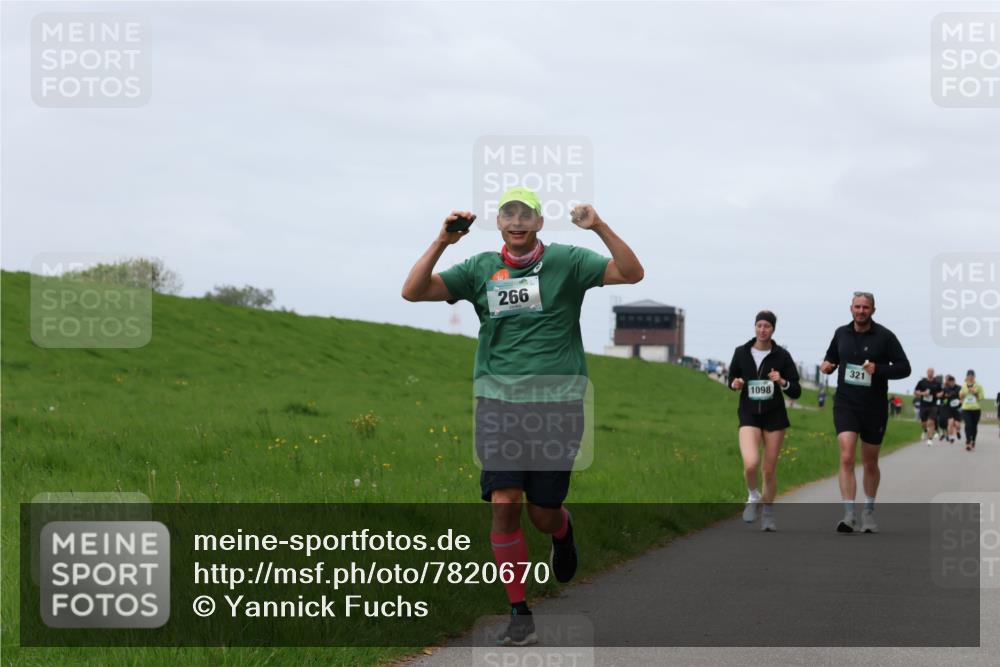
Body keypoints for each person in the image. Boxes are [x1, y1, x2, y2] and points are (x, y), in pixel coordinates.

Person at [401, 187, 643, 645]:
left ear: (537, 221)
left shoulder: (569, 262)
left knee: (542, 513)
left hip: (558, 404)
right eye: (508, 214)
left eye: (525, 214)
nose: (516, 221)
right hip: (499, 402)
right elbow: (412, 292)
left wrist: (599, 227)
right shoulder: (478, 270)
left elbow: (632, 273)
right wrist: (442, 242)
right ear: (498, 223)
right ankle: (519, 612)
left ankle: (563, 530)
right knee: (504, 501)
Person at [820, 292, 911, 534]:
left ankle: (868, 511)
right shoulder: (841, 333)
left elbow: (904, 368)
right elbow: (830, 360)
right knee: (847, 456)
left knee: (870, 462)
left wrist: (878, 369)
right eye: (857, 307)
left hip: (874, 407)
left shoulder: (885, 337)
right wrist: (826, 367)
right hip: (846, 404)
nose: (861, 311)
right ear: (851, 308)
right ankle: (849, 514)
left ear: (873, 310)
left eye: (866, 307)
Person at [727, 311, 801, 532]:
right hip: (749, 413)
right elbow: (731, 378)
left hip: (774, 416)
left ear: (773, 329)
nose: (762, 330)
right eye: (759, 325)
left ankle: (768, 514)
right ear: (754, 327)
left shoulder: (782, 356)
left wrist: (783, 381)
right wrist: (736, 383)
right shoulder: (741, 352)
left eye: (766, 326)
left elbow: (796, 391)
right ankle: (753, 495)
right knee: (751, 463)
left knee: (769, 470)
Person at [959, 370, 985, 451]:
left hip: (976, 409)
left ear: (974, 377)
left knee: (974, 426)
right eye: (969, 376)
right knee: (968, 425)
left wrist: (975, 393)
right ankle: (968, 442)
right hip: (966, 409)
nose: (970, 377)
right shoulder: (963, 385)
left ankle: (973, 440)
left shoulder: (978, 386)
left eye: (972, 376)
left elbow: (982, 397)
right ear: (966, 376)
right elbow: (960, 396)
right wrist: (962, 395)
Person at [914, 368, 941, 446]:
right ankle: (925, 431)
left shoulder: (937, 383)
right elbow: (916, 392)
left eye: (932, 372)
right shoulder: (922, 382)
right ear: (927, 373)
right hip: (923, 405)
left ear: (933, 373)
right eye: (929, 372)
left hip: (933, 405)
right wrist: (923, 393)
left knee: (931, 422)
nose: (930, 373)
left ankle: (930, 439)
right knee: (924, 423)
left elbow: (941, 391)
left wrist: (940, 394)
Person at [941, 375, 962, 443]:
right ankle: (951, 437)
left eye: (953, 381)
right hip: (949, 408)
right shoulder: (945, 389)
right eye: (950, 381)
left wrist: (961, 400)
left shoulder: (959, 388)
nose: (951, 383)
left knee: (957, 424)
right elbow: (942, 397)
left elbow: (963, 395)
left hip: (957, 408)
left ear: (954, 381)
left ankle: (958, 431)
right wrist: (944, 397)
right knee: (950, 423)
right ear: (948, 382)